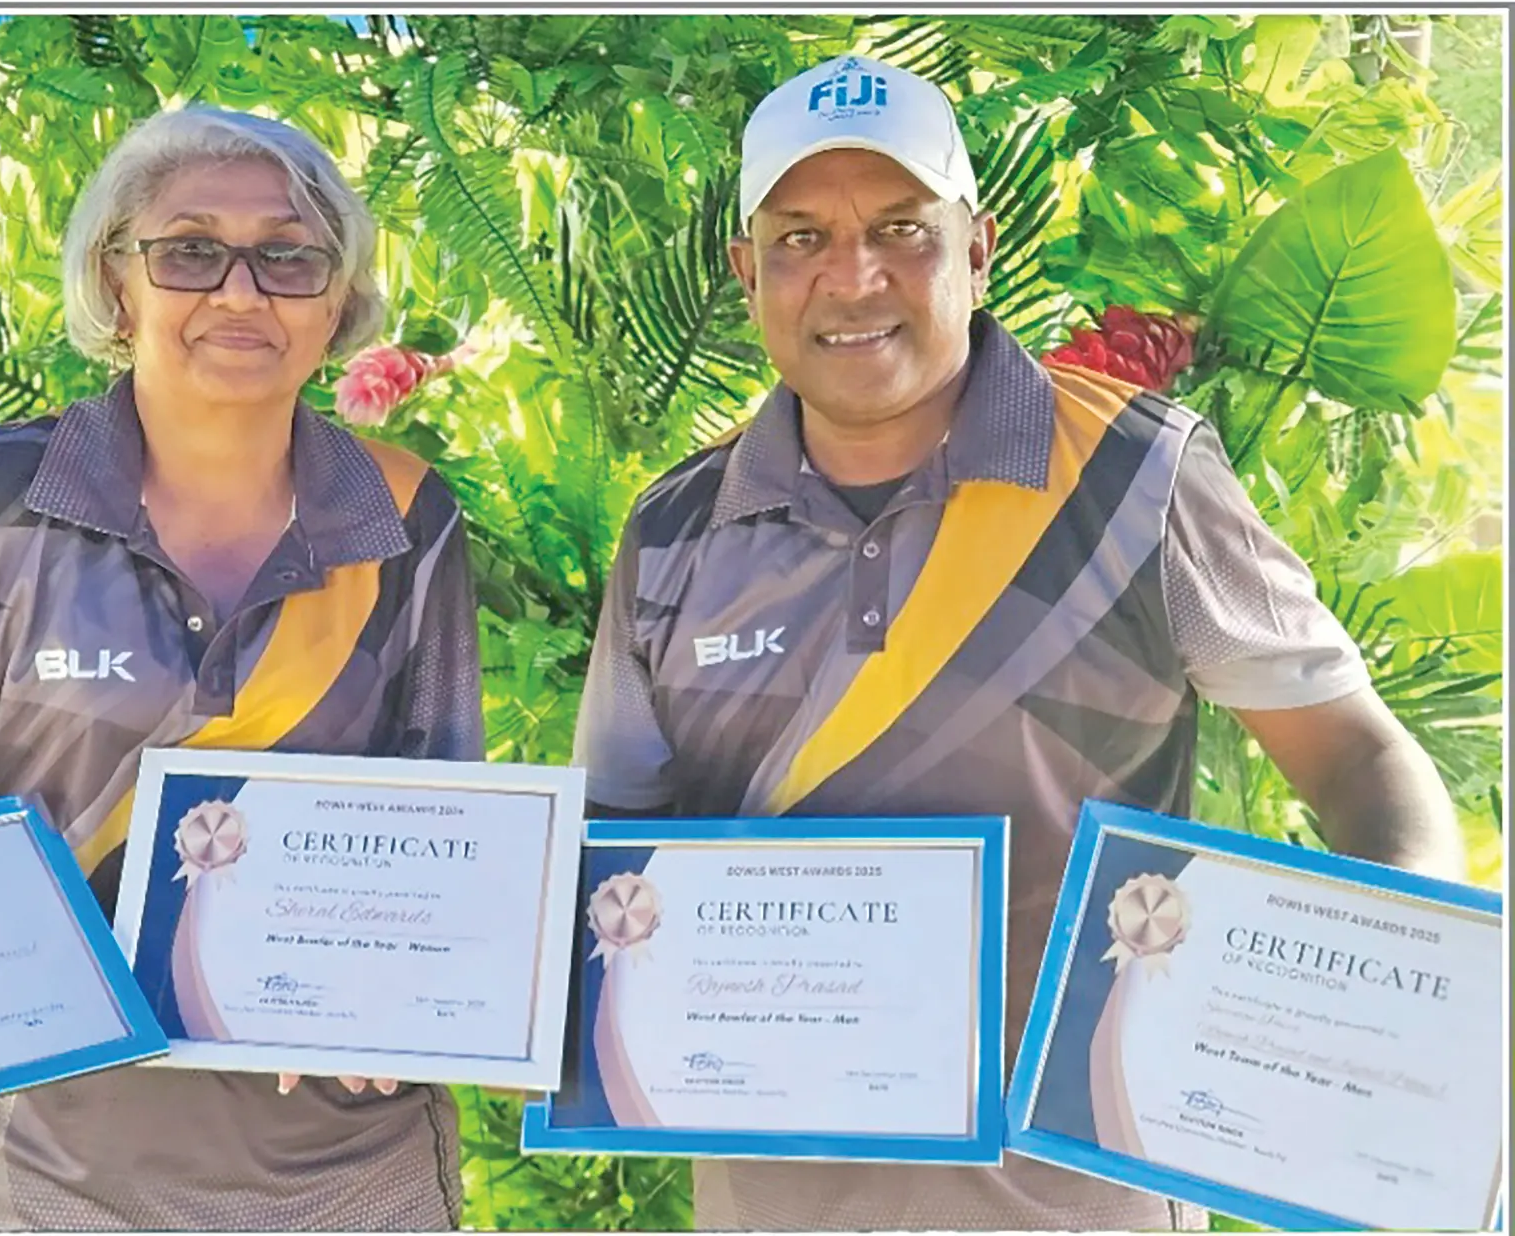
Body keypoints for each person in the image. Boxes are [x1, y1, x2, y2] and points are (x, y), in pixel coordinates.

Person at [573, 54, 1466, 1232]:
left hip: (1084, 1207)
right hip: (772, 1205)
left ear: (978, 247)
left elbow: (1357, 761)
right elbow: (610, 855)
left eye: (902, 227)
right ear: (746, 270)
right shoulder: (677, 531)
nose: (853, 277)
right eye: (799, 237)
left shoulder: (1133, 477)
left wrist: (1406, 996)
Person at [0, 106, 482, 1231]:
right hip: (48, 1174)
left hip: (346, 1176)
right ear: (116, 287)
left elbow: (448, 831)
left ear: (337, 305)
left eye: (288, 257)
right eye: (189, 250)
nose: (240, 292)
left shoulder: (407, 513)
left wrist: (410, 998)